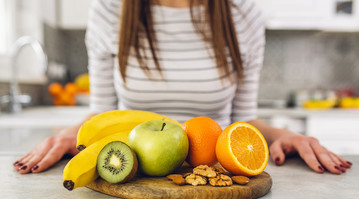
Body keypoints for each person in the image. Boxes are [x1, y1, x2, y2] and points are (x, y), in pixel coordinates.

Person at [13, 0, 352, 174]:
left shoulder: (242, 12)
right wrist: (71, 134)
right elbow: (102, 114)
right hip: (136, 172)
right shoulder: (110, 10)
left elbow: (244, 120)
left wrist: (284, 135)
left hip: (213, 176)